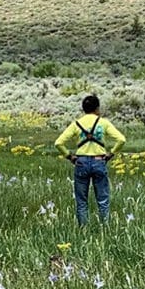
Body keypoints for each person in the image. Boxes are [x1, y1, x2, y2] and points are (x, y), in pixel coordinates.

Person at [54, 94, 126, 225]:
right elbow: (121, 139)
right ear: (97, 108)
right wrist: (111, 153)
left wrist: (69, 156)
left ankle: (83, 230)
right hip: (99, 161)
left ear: (84, 108)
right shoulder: (103, 123)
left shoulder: (76, 124)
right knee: (103, 200)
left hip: (81, 162)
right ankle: (105, 229)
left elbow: (58, 143)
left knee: (81, 201)